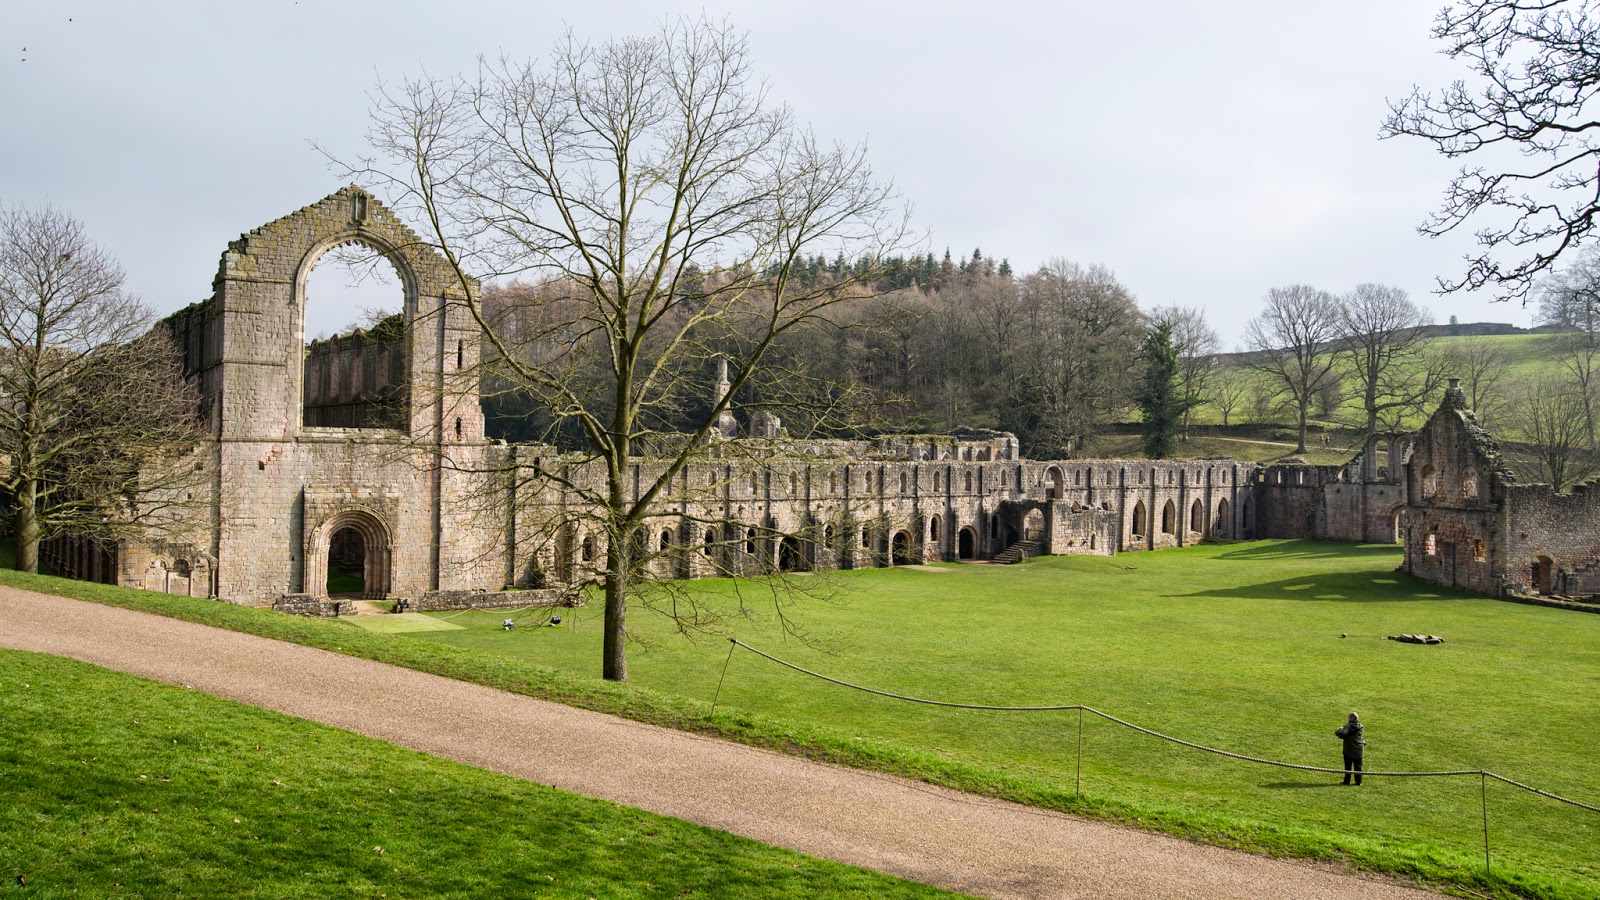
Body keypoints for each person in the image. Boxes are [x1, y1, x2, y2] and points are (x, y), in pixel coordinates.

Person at [1335, 712, 1365, 785]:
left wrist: (1339, 729)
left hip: (1349, 750)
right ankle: (1358, 782)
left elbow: (1342, 733)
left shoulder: (1349, 726)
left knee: (1348, 767)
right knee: (1358, 767)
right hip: (1359, 750)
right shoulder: (1360, 726)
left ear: (1351, 718)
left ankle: (1347, 781)